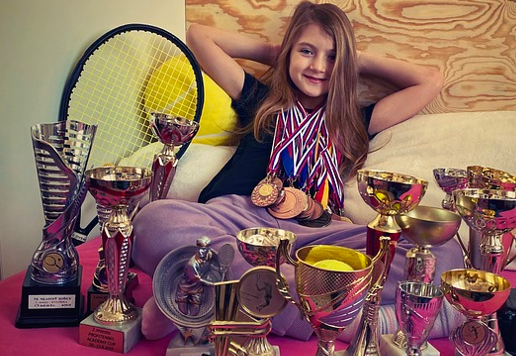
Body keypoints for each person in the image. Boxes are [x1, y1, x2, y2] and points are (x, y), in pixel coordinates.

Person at [132, 0, 463, 342]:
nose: (319, 65)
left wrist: (354, 60)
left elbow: (430, 81)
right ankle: (336, 316)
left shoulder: (353, 122)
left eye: (333, 56)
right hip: (238, 222)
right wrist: (278, 50)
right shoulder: (260, 101)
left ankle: (203, 292)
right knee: (153, 219)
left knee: (442, 252)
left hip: (319, 236)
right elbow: (199, 36)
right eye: (307, 51)